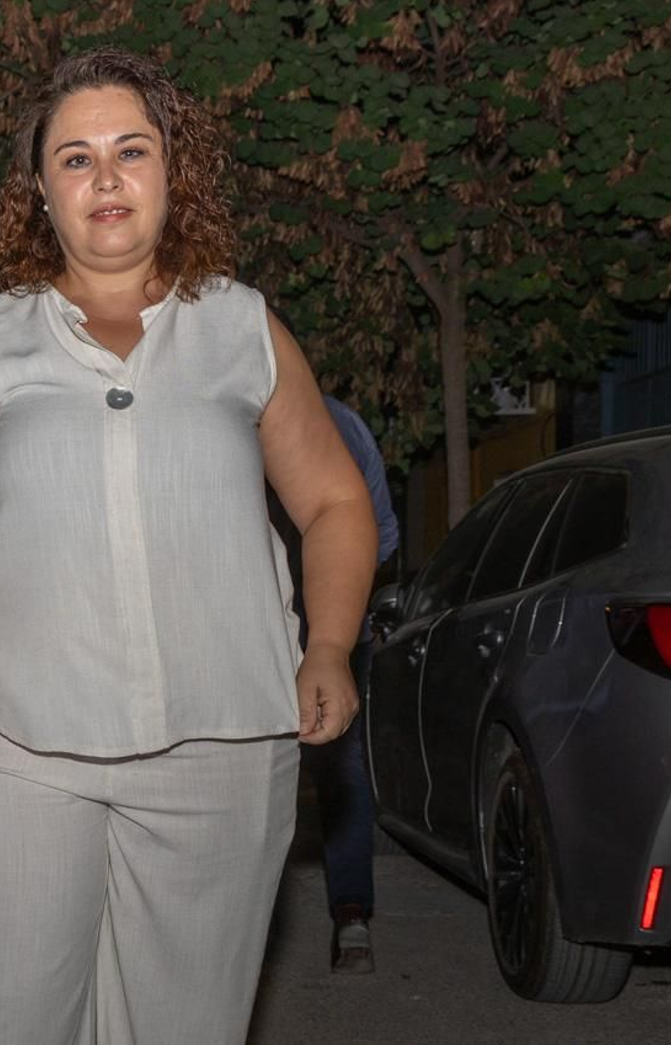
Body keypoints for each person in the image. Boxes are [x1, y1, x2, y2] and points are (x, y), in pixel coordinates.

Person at [0, 47, 378, 1043]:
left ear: (171, 171)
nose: (104, 178)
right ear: (40, 191)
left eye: (130, 150)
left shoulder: (240, 327)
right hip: (20, 749)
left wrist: (327, 643)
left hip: (221, 748)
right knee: (9, 1021)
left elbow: (333, 499)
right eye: (74, 158)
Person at [273, 395, 400, 974]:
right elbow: (384, 538)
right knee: (338, 767)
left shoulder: (333, 423)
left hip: (300, 624)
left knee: (338, 766)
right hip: (300, 623)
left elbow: (375, 533)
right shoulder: (343, 420)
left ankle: (349, 912)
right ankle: (351, 920)